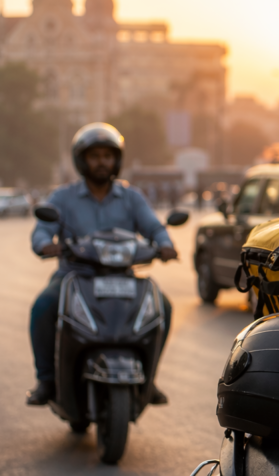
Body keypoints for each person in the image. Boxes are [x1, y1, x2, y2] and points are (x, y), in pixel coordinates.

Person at [25, 123, 178, 406]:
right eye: (94, 156)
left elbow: (154, 227)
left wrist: (165, 244)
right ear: (82, 160)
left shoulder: (131, 197)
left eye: (107, 156)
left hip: (124, 278)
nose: (101, 162)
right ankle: (46, 380)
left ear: (116, 160)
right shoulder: (63, 197)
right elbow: (42, 229)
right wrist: (45, 244)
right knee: (43, 307)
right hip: (75, 277)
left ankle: (150, 378)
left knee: (163, 308)